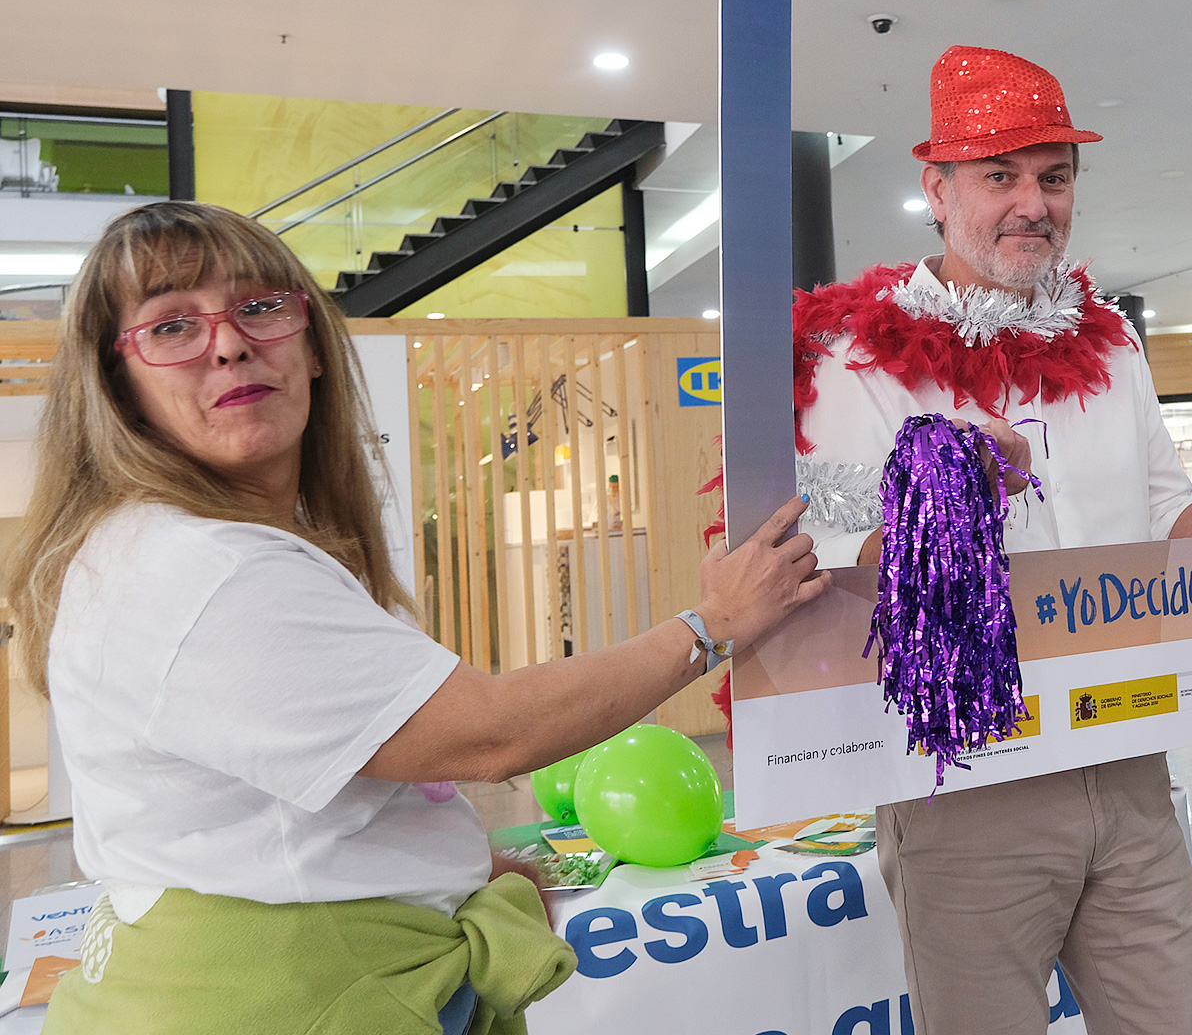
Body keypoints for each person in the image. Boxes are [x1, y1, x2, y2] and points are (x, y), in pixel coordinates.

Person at [6, 201, 829, 1033]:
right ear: (120, 385)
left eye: (260, 307)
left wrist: (448, 867)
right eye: (172, 326)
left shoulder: (197, 546)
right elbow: (491, 732)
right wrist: (711, 625)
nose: (228, 343)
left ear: (313, 344)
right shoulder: (201, 569)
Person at [792, 45, 1192, 1035]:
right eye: (1000, 176)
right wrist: (941, 493)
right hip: (966, 787)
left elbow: (1173, 540)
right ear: (937, 190)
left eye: (1054, 175)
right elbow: (834, 566)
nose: (1032, 201)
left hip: (1127, 760)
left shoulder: (1113, 345)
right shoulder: (855, 357)